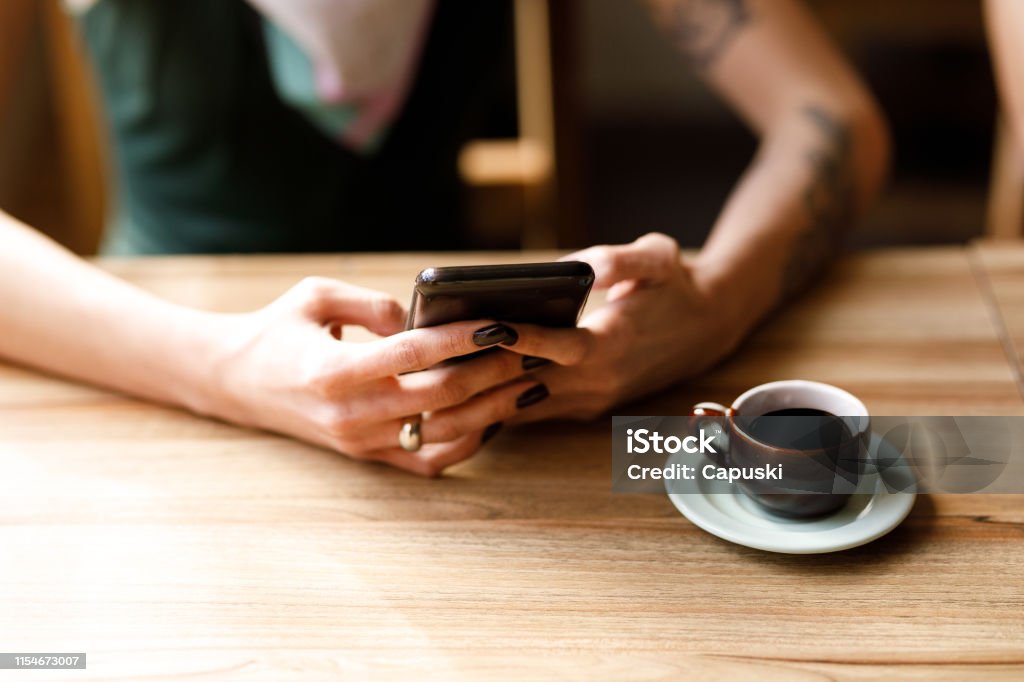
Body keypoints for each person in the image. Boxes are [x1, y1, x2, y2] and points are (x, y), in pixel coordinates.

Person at [0, 0, 889, 476]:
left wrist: (718, 303)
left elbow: (832, 117)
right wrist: (222, 369)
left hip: (482, 417)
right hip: (130, 361)